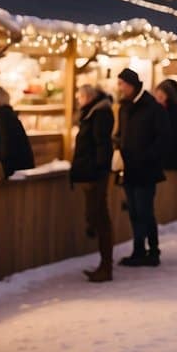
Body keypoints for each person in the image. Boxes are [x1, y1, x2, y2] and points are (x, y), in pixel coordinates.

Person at [115, 68, 170, 268]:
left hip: (146, 169)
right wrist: (118, 145)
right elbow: (121, 133)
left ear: (131, 85)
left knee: (144, 210)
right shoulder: (124, 107)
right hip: (129, 168)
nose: (119, 88)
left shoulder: (152, 108)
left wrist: (147, 156)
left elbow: (163, 138)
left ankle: (153, 250)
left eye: (122, 84)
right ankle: (139, 249)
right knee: (134, 211)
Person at [69, 84, 115, 281]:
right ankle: (105, 265)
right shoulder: (94, 113)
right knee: (97, 216)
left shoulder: (99, 114)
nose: (78, 100)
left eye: (79, 96)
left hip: (95, 174)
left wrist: (96, 169)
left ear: (88, 97)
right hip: (92, 172)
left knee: (100, 218)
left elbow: (101, 145)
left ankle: (106, 267)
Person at [0, 87, 34, 180]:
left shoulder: (1, 116)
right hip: (20, 163)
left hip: (12, 165)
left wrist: (5, 167)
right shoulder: (8, 114)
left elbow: (5, 141)